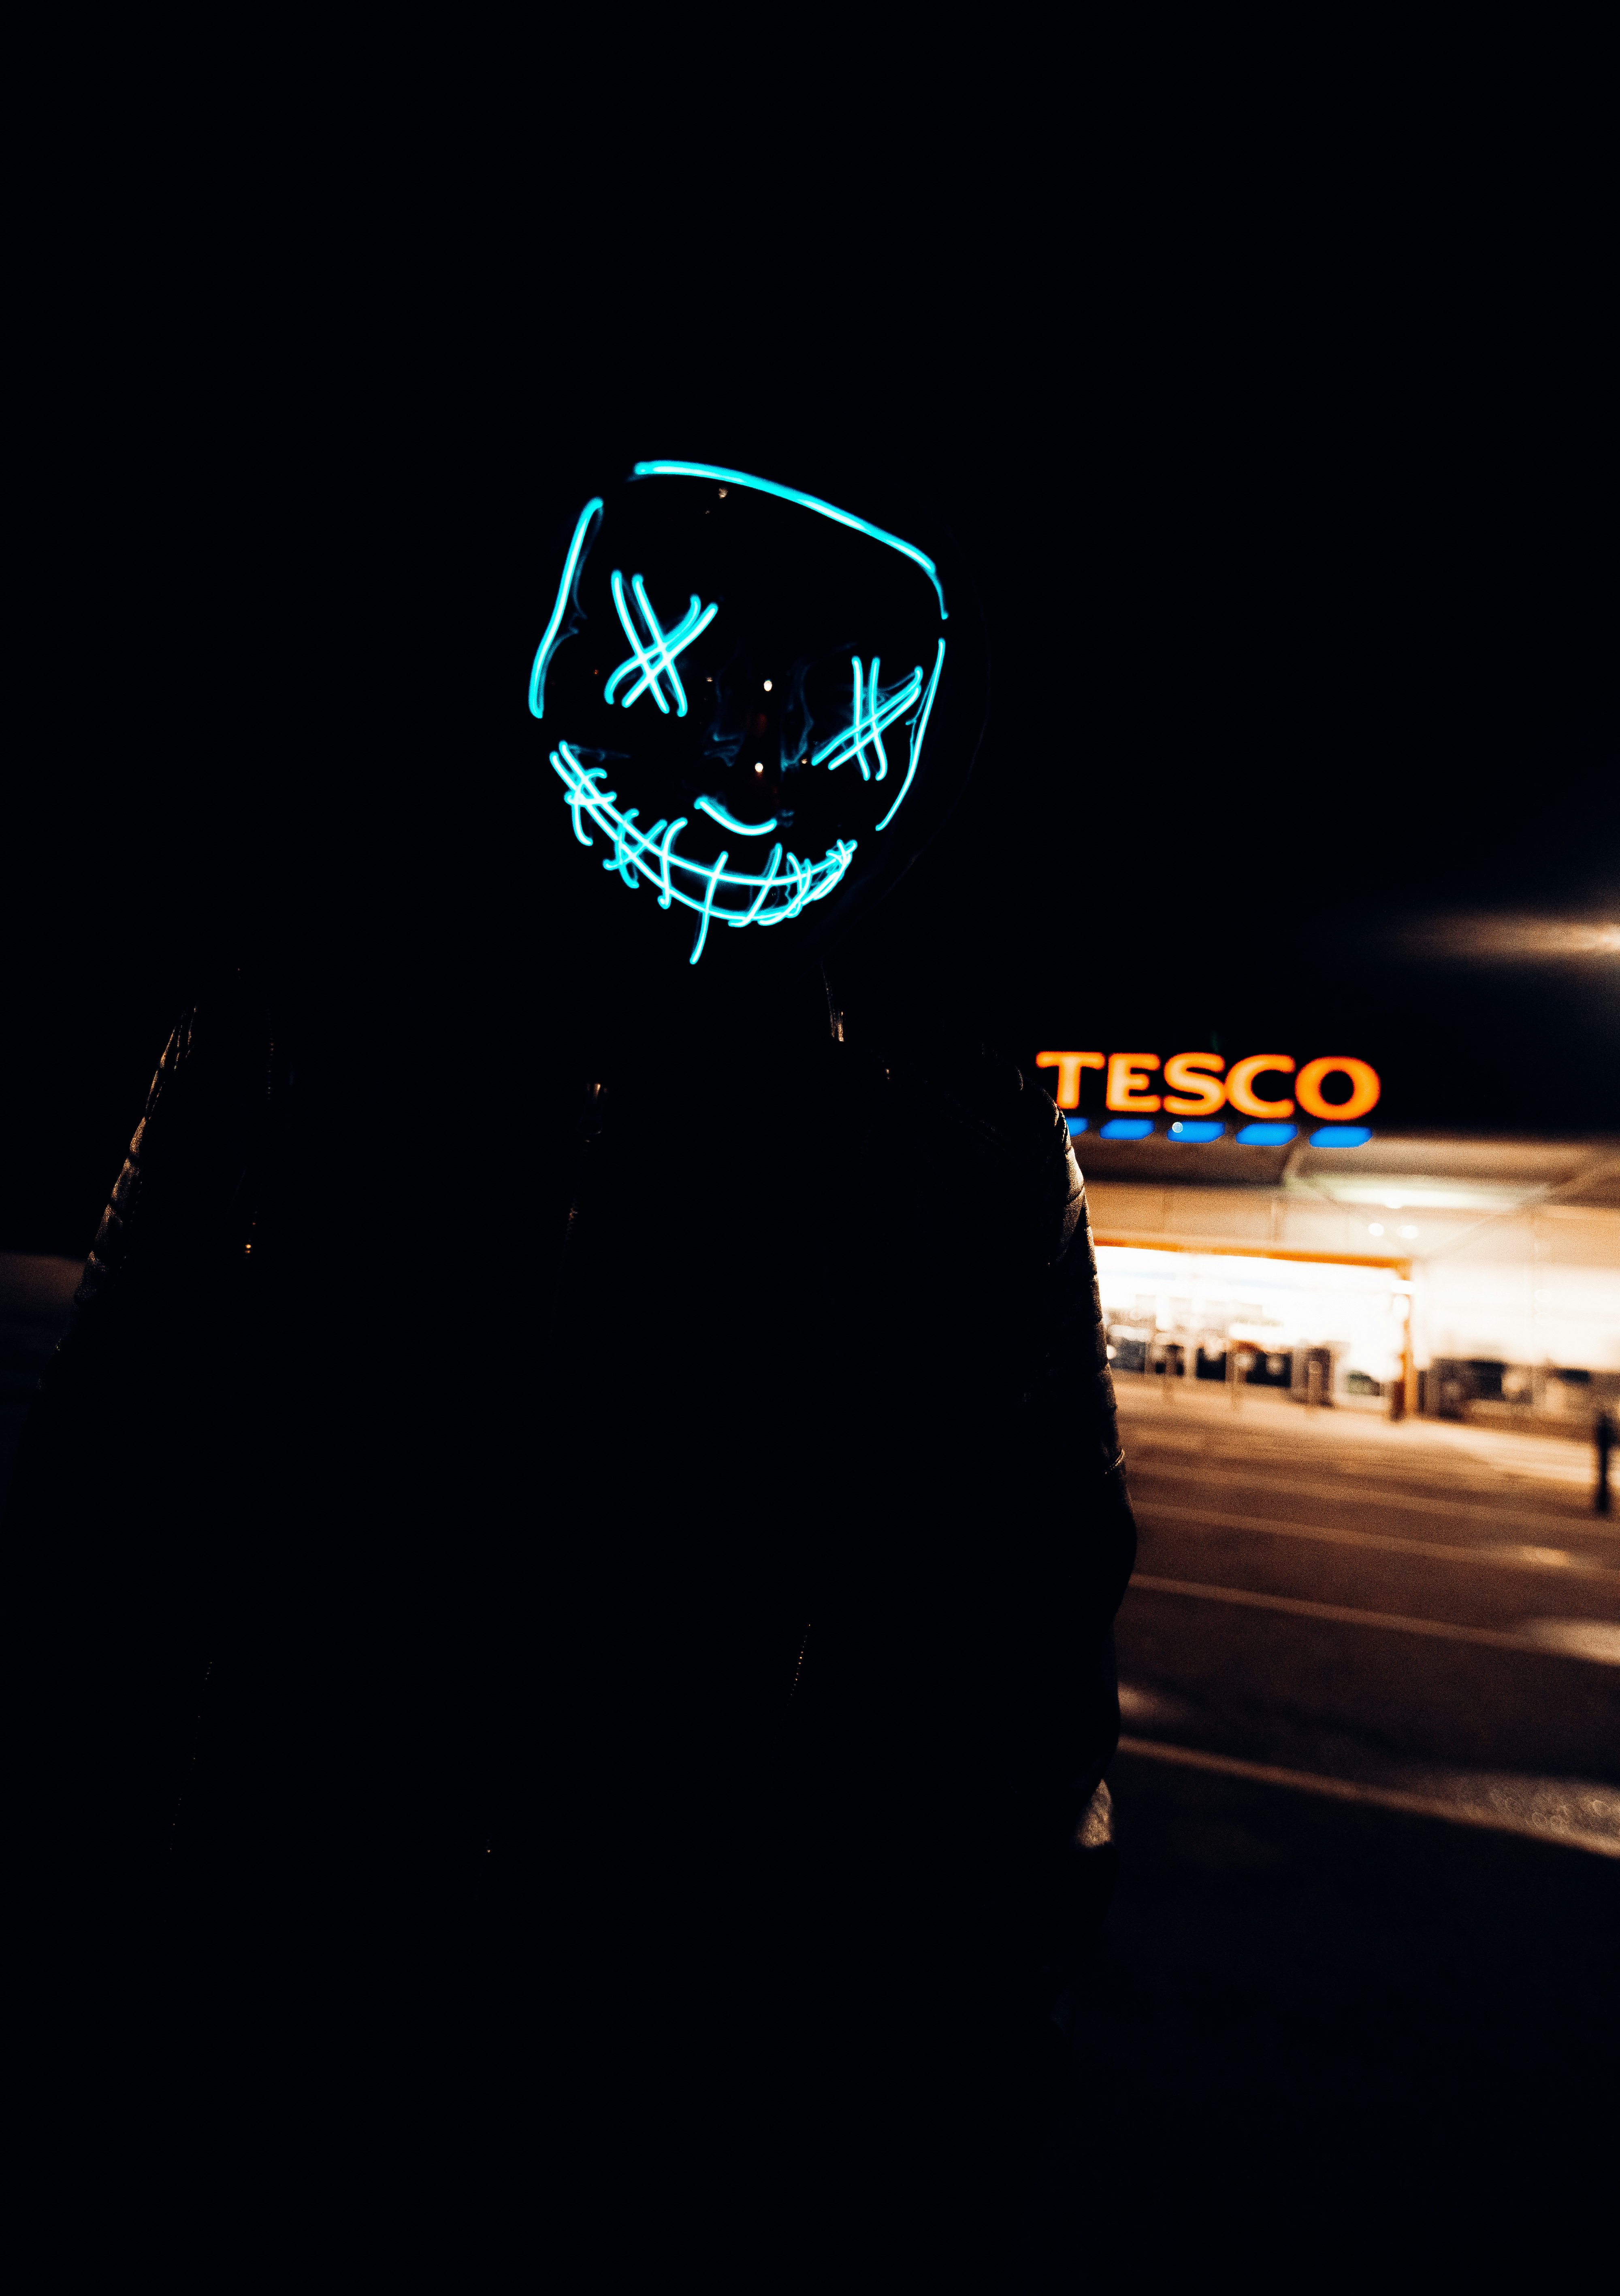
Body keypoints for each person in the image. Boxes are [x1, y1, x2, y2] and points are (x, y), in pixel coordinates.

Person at [0, 458, 1134, 2260]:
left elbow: (1027, 1590)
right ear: (570, 653)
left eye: (823, 708)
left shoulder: (951, 1114)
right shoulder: (306, 1021)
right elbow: (112, 1494)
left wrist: (971, 1996)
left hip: (712, 2021)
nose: (754, 762)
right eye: (699, 676)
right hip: (291, 1951)